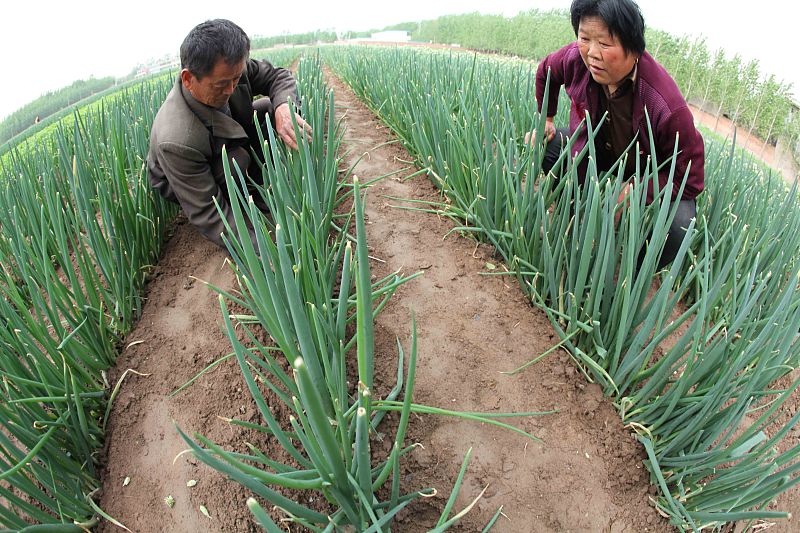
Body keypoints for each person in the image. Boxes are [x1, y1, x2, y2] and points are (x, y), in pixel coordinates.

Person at [526, 0, 704, 269]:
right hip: (595, 153)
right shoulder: (577, 57)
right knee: (547, 147)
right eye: (584, 38)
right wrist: (546, 119)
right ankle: (569, 222)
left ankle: (629, 275)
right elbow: (547, 71)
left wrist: (638, 189)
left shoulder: (665, 104)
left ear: (633, 49)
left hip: (642, 172)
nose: (592, 53)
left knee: (680, 224)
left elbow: (691, 178)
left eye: (605, 44)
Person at [147, 19, 311, 249]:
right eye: (221, 85)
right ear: (188, 79)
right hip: (189, 175)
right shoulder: (177, 140)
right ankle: (246, 200)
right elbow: (209, 213)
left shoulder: (231, 70)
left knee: (266, 108)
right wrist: (267, 251)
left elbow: (277, 77)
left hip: (229, 135)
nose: (231, 89)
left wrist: (284, 107)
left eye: (236, 79)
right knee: (235, 160)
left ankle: (261, 184)